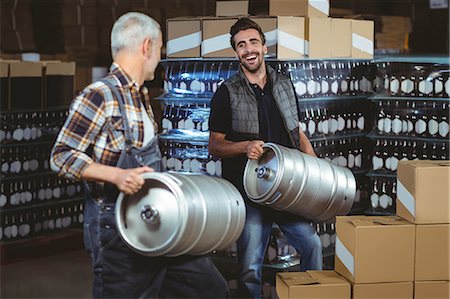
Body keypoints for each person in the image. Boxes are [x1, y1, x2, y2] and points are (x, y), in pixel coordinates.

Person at [50, 12, 229, 299]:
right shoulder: (99, 94)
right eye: (159, 49)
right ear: (147, 47)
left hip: (155, 220)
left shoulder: (139, 95)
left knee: (209, 288)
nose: (159, 58)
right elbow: (61, 155)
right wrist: (117, 175)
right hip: (116, 230)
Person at [208, 18, 323, 298]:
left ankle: (314, 294)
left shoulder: (284, 84)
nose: (248, 49)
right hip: (250, 193)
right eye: (241, 45)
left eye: (253, 42)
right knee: (250, 267)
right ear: (236, 52)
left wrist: (315, 167)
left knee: (312, 246)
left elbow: (296, 131)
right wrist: (245, 146)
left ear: (265, 46)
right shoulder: (226, 92)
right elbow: (215, 146)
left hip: (287, 187)